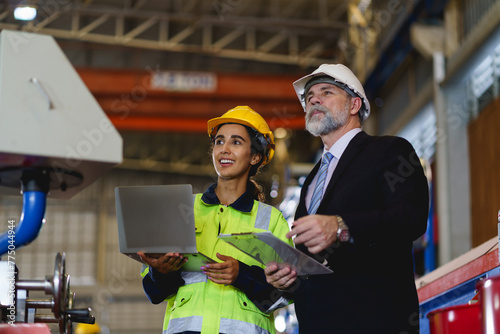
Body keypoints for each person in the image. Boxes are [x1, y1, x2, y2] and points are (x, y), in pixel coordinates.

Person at [264, 64, 429, 333]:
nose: (314, 99)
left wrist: (341, 226)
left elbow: (410, 218)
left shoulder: (389, 151)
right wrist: (288, 276)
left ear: (354, 105)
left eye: (326, 92)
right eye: (309, 97)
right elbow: (315, 262)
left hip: (375, 323)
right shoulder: (313, 180)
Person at [138, 106, 293, 334]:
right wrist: (161, 271)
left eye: (236, 142)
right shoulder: (183, 209)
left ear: (255, 156)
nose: (224, 150)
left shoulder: (271, 220)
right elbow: (154, 293)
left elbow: (284, 295)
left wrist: (242, 275)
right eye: (219, 142)